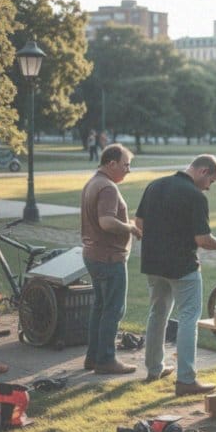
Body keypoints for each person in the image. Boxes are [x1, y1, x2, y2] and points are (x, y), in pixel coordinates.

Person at [136, 154, 216, 394]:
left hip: (152, 262)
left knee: (157, 314)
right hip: (183, 267)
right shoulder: (195, 196)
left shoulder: (155, 185)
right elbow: (203, 240)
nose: (209, 187)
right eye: (210, 181)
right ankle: (186, 379)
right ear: (203, 171)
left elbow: (139, 223)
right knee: (189, 318)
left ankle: (153, 369)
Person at [81, 144, 143, 375]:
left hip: (94, 255)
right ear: (111, 163)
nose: (129, 170)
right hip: (108, 258)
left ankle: (93, 358)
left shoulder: (93, 182)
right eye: (126, 164)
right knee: (113, 309)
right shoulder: (107, 188)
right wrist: (131, 228)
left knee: (100, 307)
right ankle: (106, 360)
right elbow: (106, 222)